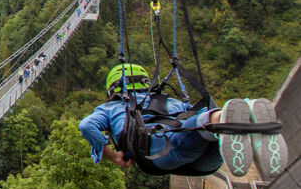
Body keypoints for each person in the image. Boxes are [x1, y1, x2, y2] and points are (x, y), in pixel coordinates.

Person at [79, 64, 288, 178]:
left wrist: (113, 156)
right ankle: (243, 114)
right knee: (200, 122)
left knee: (191, 136)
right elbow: (190, 115)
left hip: (167, 154)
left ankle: (224, 120)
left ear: (112, 88)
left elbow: (86, 125)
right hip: (203, 154)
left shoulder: (109, 108)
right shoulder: (166, 99)